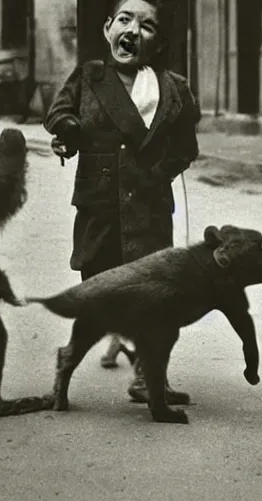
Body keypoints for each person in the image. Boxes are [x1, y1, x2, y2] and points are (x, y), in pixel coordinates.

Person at [43, 0, 201, 404]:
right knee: (100, 292)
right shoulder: (88, 77)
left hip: (149, 208)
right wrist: (69, 131)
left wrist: (158, 173)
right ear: (108, 29)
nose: (133, 30)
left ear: (158, 42)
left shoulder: (174, 88)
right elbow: (58, 114)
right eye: (125, 20)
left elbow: (185, 148)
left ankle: (148, 378)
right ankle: (70, 362)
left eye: (147, 26)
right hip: (101, 207)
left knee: (157, 295)